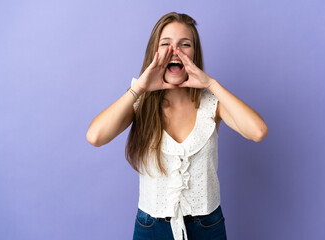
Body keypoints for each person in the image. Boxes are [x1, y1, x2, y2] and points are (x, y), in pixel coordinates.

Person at [86, 12, 268, 240]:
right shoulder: (138, 102)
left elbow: (258, 131)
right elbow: (95, 136)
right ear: (155, 51)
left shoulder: (212, 103)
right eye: (166, 44)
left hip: (207, 228)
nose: (175, 51)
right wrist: (140, 86)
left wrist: (211, 83)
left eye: (185, 44)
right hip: (151, 228)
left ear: (194, 53)